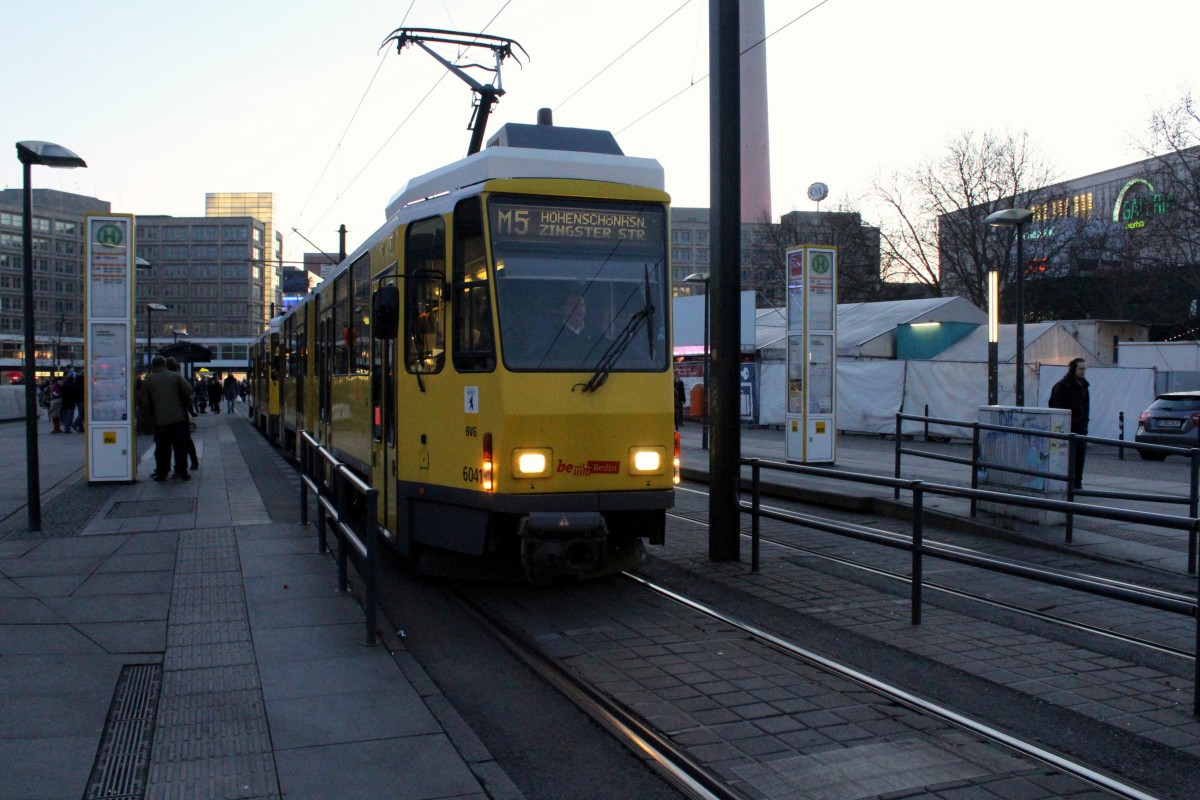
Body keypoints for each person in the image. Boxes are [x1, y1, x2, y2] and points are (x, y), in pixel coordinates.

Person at [138, 355, 194, 481]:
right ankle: (181, 471)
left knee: (162, 448)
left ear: (153, 366)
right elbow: (189, 390)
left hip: (160, 420)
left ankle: (162, 471)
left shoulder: (149, 380)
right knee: (180, 447)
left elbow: (143, 400)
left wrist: (152, 412)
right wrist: (184, 405)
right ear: (165, 364)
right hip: (178, 419)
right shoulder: (176, 376)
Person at [1049, 357, 1090, 488]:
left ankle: (1077, 481)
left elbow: (1085, 406)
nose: (1083, 371)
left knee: (1079, 457)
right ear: (1073, 369)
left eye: (1085, 369)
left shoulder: (1084, 385)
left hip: (1081, 427)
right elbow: (1056, 407)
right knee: (1067, 457)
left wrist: (1085, 422)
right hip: (1067, 427)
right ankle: (1069, 482)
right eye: (1081, 369)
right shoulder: (1062, 386)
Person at [167, 358, 200, 471]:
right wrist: (188, 408)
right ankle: (191, 462)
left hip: (167, 415)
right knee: (185, 440)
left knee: (170, 442)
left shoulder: (169, 379)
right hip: (181, 414)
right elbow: (189, 393)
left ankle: (174, 466)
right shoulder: (179, 378)